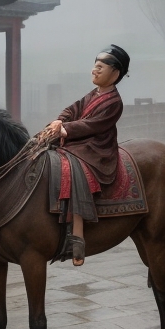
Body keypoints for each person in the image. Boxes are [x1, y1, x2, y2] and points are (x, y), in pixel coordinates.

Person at [47, 44, 129, 266]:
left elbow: (93, 125)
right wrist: (59, 121)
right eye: (95, 66)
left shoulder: (114, 102)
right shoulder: (94, 94)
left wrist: (67, 130)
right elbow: (73, 110)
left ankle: (78, 235)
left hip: (96, 147)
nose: (94, 70)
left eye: (100, 67)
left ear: (115, 73)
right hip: (79, 139)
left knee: (74, 168)